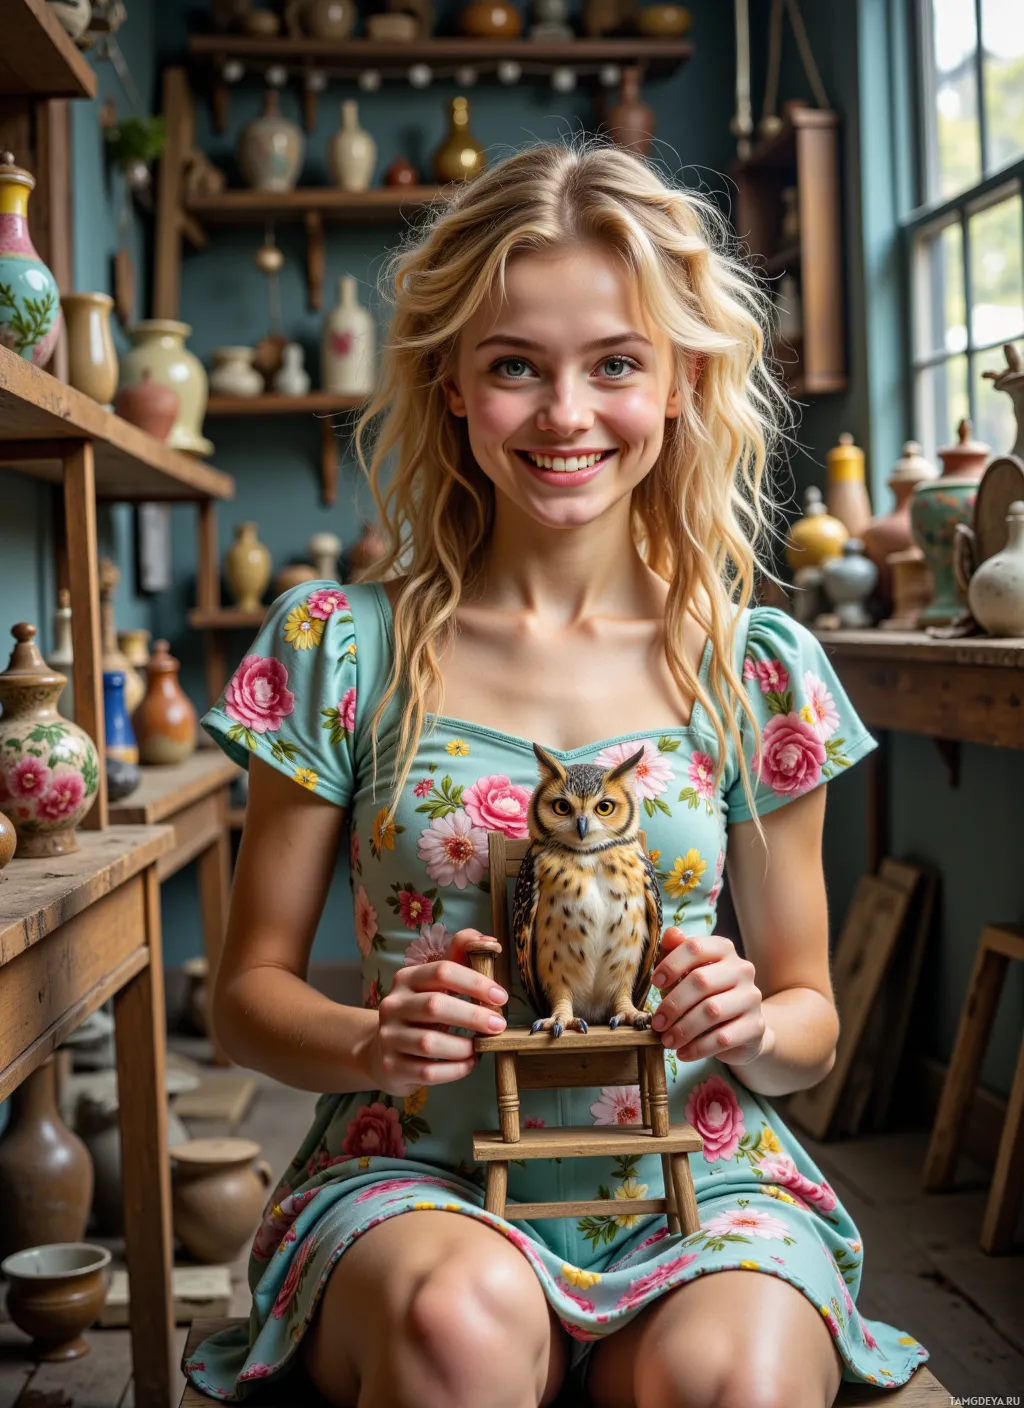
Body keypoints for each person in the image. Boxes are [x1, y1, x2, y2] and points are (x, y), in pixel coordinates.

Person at [186, 141, 930, 1408]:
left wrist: (751, 1027)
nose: (566, 413)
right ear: (450, 384)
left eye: (616, 364)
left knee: (738, 1379)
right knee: (459, 1328)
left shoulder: (753, 668)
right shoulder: (338, 648)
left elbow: (810, 1022)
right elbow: (244, 998)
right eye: (516, 366)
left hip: (697, 1177)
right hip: (420, 1175)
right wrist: (374, 1037)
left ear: (685, 381)